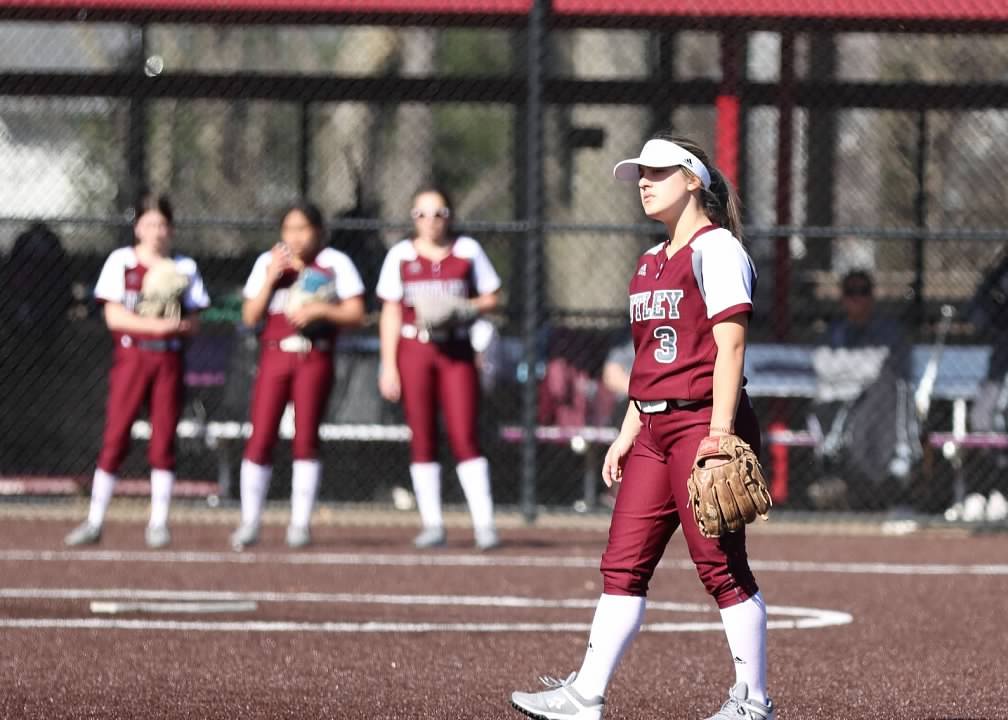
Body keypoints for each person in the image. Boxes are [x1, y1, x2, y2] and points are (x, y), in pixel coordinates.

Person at [510, 134, 774, 720]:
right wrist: (628, 432)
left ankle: (752, 702)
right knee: (621, 564)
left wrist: (721, 433)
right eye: (640, 173)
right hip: (653, 430)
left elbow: (730, 350)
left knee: (720, 566)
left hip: (703, 423)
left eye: (657, 172)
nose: (644, 182)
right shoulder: (650, 260)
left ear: (693, 180)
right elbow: (651, 361)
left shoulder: (718, 249)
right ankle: (586, 696)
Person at [64, 193, 210, 549]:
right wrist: (154, 324)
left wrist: (173, 321)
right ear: (137, 228)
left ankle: (158, 523)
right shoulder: (122, 262)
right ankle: (95, 520)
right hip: (133, 357)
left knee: (163, 441)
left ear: (171, 229)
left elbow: (194, 322)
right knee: (115, 436)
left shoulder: (183, 268)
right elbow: (115, 317)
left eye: (163, 224)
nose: (157, 232)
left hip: (168, 361)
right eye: (149, 224)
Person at [230, 201, 366, 550]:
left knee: (306, 437)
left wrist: (321, 309)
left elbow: (356, 313)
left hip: (313, 354)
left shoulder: (335, 263)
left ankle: (300, 523)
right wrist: (271, 278)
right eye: (289, 229)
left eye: (303, 229)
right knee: (261, 435)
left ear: (318, 232)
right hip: (276, 354)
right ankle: (250, 521)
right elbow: (249, 316)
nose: (296, 237)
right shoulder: (268, 262)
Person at [376, 185, 502, 550]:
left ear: (450, 216)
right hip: (415, 348)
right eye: (422, 214)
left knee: (464, 434)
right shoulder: (401, 255)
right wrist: (388, 365)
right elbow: (390, 310)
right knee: (421, 433)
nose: (430, 222)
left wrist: (463, 308)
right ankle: (433, 523)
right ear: (412, 218)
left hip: (455, 348)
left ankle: (484, 524)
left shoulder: (466, 251)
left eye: (438, 213)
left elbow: (492, 295)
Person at [806, 269, 919, 510]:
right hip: (834, 402)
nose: (857, 298)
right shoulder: (833, 332)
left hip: (874, 405)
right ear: (842, 297)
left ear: (872, 296)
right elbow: (822, 364)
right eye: (851, 292)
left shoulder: (888, 331)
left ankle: (886, 488)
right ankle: (844, 486)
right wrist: (858, 369)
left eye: (863, 291)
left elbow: (878, 369)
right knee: (824, 414)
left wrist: (845, 367)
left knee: (883, 391)